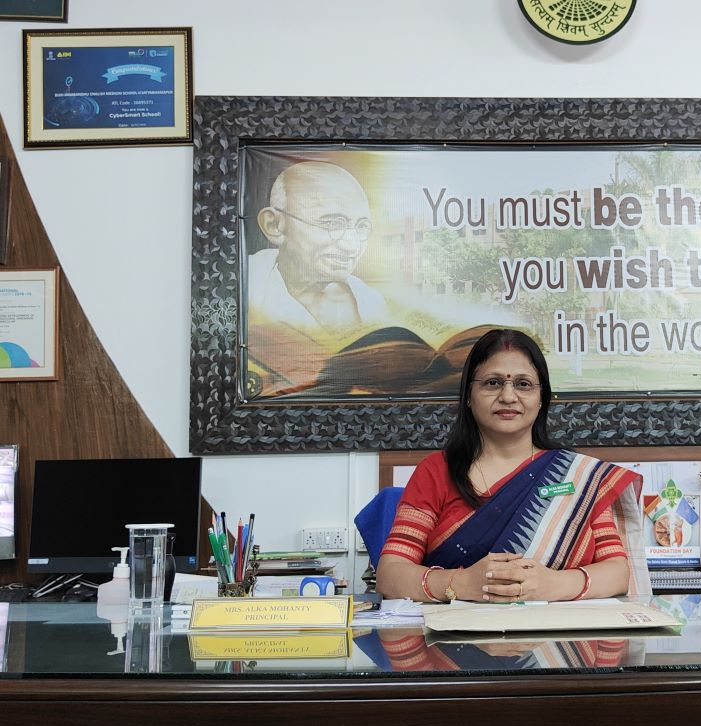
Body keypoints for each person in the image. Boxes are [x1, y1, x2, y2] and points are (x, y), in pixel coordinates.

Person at [376, 329, 648, 602]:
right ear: (469, 396)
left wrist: (552, 584)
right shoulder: (437, 471)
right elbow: (390, 576)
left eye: (523, 384)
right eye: (492, 383)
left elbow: (617, 572)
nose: (508, 396)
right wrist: (460, 583)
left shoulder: (578, 476)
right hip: (456, 638)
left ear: (542, 398)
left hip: (560, 640)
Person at [246, 160, 388, 396]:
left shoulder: (372, 304)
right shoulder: (244, 286)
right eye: (332, 223)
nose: (352, 245)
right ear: (275, 225)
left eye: (361, 227)